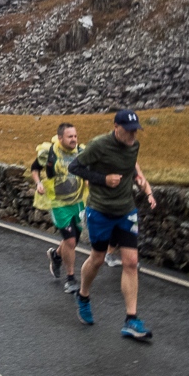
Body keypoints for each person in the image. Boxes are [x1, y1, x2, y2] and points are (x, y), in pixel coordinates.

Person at [67, 109, 158, 340]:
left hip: (126, 211)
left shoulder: (133, 146)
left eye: (135, 130)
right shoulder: (99, 145)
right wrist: (103, 180)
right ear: (115, 127)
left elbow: (132, 170)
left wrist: (141, 184)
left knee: (131, 261)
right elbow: (74, 168)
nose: (132, 135)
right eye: (128, 130)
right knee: (97, 259)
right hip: (100, 210)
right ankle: (84, 295)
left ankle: (131, 320)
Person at [32, 123, 86, 294]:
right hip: (58, 203)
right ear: (60, 138)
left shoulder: (81, 152)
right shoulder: (50, 152)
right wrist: (38, 182)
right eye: (70, 137)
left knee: (74, 240)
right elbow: (35, 168)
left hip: (77, 202)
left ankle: (56, 256)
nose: (74, 140)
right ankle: (71, 279)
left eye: (75, 136)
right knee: (70, 241)